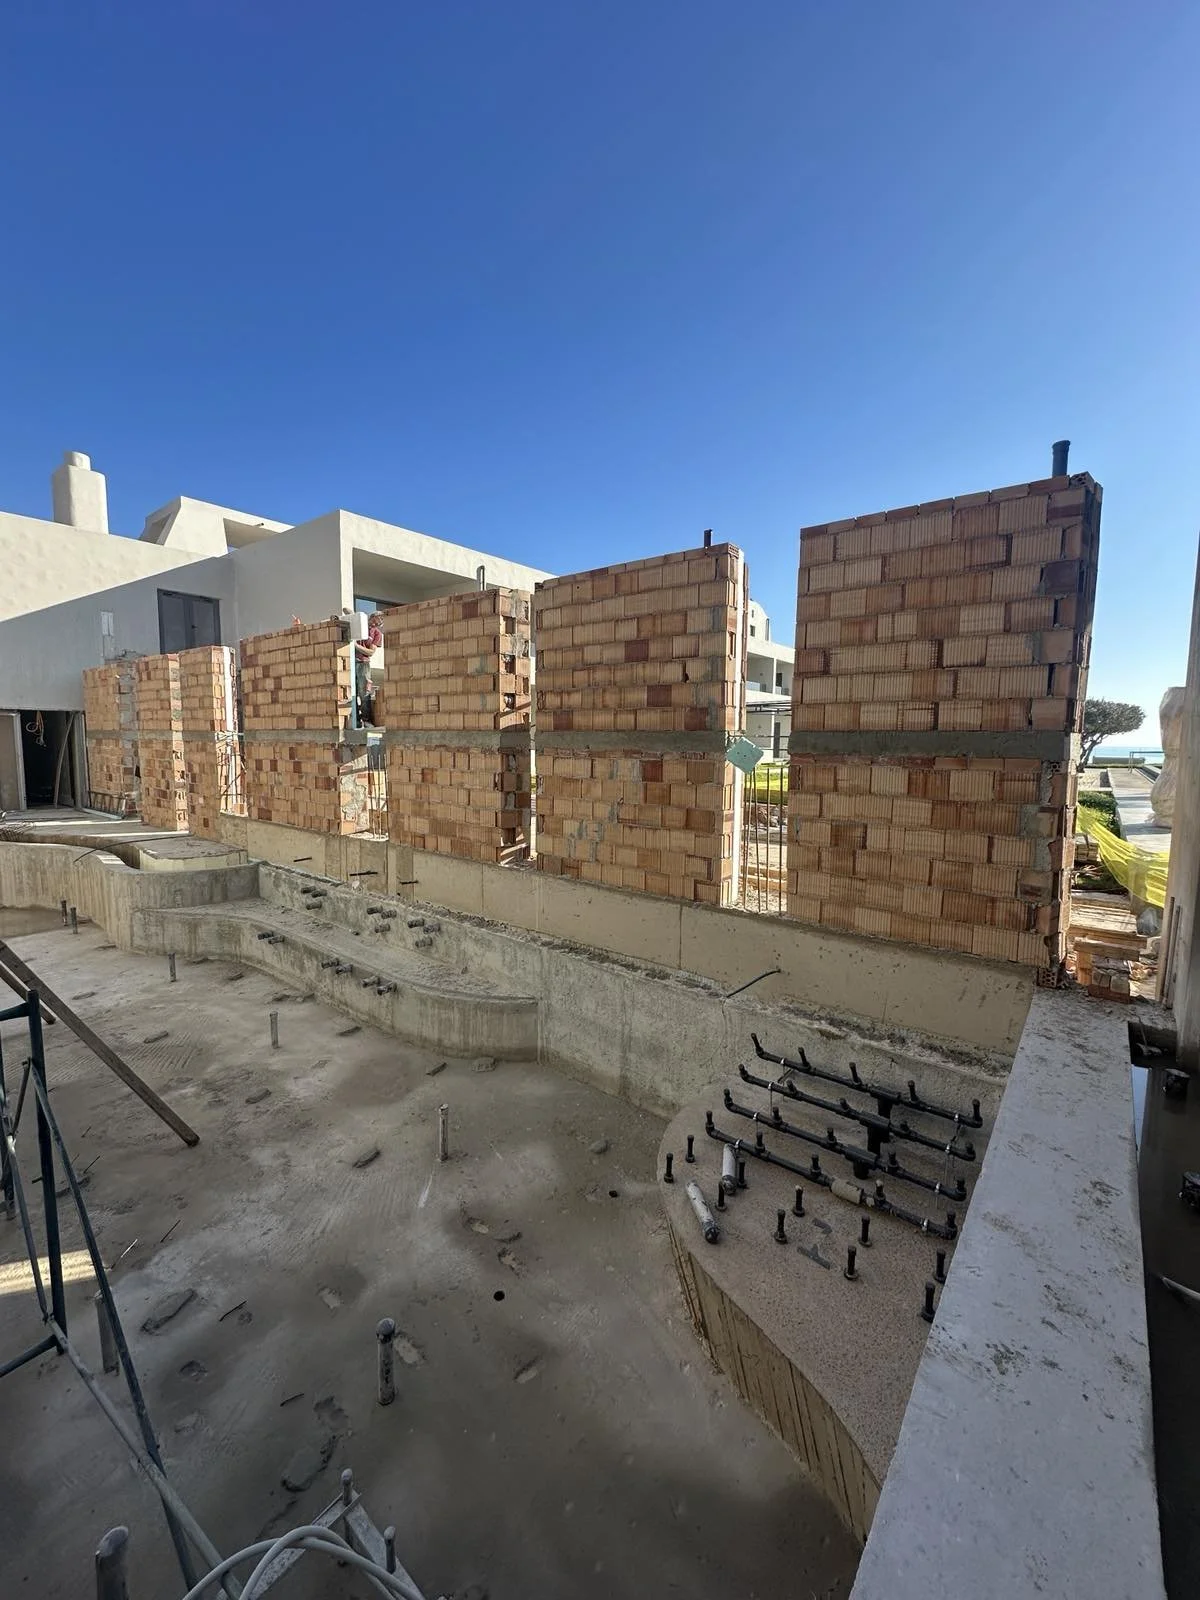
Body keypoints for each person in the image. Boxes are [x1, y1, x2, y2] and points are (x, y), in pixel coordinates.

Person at [354, 612, 384, 725]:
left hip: (363, 663)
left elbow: (371, 652)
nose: (376, 623)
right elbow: (346, 610)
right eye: (376, 620)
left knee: (364, 692)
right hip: (350, 661)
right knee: (351, 692)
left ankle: (366, 720)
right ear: (371, 617)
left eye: (379, 623)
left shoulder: (377, 633)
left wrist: (356, 646)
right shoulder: (359, 625)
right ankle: (355, 720)